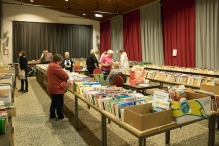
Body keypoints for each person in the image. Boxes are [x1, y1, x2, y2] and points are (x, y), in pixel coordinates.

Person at [47, 54, 69, 122]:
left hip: (53, 86)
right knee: (59, 103)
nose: (61, 63)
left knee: (53, 102)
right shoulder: (55, 66)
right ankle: (60, 117)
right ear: (58, 61)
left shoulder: (51, 65)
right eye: (60, 61)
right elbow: (65, 75)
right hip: (57, 88)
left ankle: (52, 116)